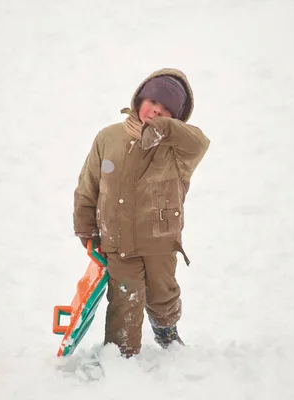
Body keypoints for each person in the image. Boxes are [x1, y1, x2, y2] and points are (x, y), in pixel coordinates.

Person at [73, 68, 210, 357]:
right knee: (125, 301)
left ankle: (167, 335)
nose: (155, 113)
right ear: (139, 99)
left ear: (175, 119)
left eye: (165, 112)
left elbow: (201, 142)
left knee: (164, 295)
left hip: (159, 241)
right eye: (152, 104)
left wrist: (165, 131)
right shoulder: (108, 138)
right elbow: (89, 186)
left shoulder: (178, 149)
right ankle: (121, 355)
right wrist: (85, 227)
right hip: (118, 241)